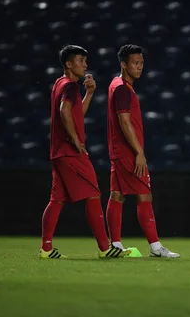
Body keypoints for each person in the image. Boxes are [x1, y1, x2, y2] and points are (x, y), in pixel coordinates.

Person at [39, 45, 130, 259]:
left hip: (57, 152)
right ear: (69, 64)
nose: (85, 64)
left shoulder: (60, 84)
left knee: (57, 200)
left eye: (85, 61)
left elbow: (74, 111)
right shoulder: (70, 85)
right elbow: (64, 112)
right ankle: (104, 247)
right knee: (93, 194)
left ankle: (46, 248)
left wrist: (89, 93)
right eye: (80, 60)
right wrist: (74, 138)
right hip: (70, 152)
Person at [105, 44, 179, 258]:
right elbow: (124, 121)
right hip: (127, 151)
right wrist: (139, 151)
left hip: (117, 149)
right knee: (144, 196)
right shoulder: (121, 88)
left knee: (117, 195)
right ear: (123, 64)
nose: (139, 67)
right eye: (135, 63)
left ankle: (116, 245)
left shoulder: (116, 84)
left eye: (141, 63)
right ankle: (156, 248)